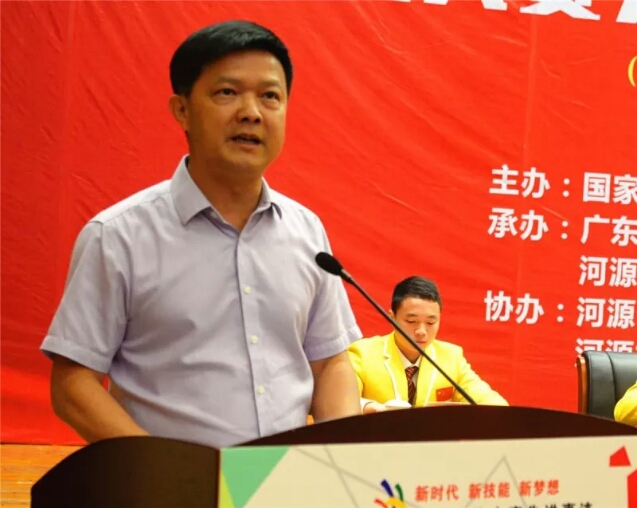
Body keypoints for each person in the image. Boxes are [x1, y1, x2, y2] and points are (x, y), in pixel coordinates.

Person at [40, 20, 362, 449]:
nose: (251, 112)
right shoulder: (117, 237)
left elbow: (330, 364)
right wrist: (160, 469)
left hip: (284, 477)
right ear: (182, 110)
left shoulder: (307, 231)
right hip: (168, 479)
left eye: (270, 96)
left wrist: (342, 456)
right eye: (227, 92)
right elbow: (73, 384)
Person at [348, 276, 508, 413]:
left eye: (431, 322)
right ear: (392, 317)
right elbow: (340, 399)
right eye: (411, 321)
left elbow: (489, 401)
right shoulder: (362, 354)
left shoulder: (451, 357)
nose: (421, 331)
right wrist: (371, 408)